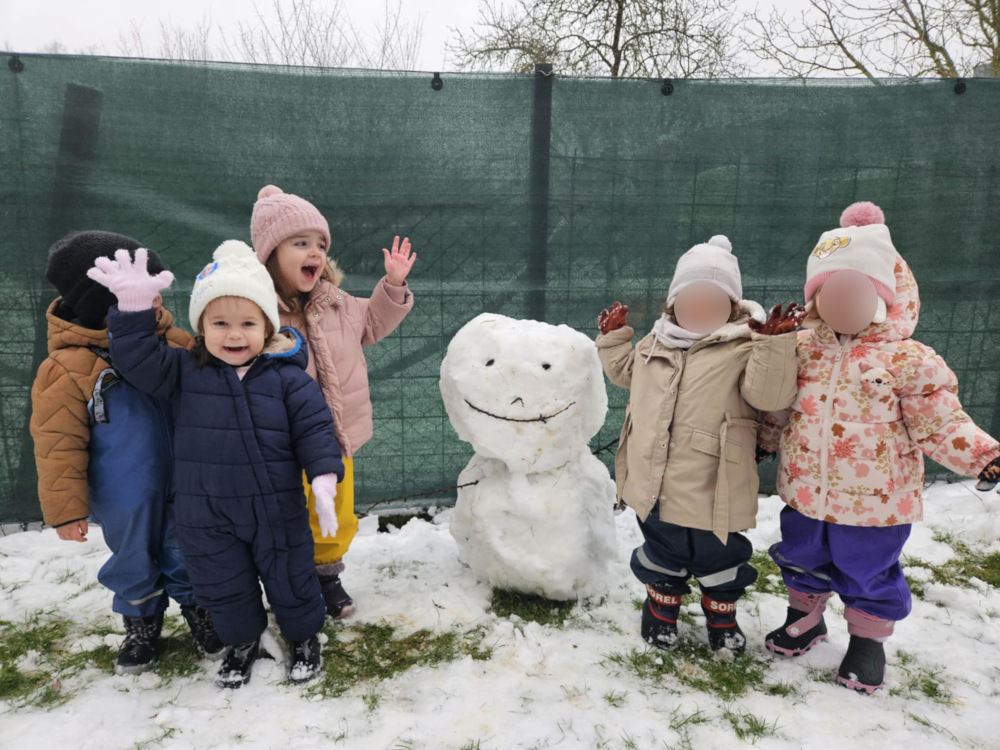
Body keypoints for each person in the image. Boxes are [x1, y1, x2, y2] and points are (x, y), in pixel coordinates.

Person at [759, 202, 1000, 693]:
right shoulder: (802, 348)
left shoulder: (907, 360)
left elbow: (940, 419)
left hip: (876, 503)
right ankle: (805, 617)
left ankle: (867, 641)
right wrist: (762, 440)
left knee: (867, 570)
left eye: (855, 292)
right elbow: (778, 407)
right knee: (802, 555)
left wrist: (982, 455)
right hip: (806, 490)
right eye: (830, 293)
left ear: (882, 298)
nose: (840, 303)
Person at [88, 240, 345, 688]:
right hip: (207, 514)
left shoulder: (288, 378)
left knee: (291, 576)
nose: (233, 334)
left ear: (266, 326)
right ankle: (241, 641)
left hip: (275, 509)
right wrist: (132, 312)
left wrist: (323, 477)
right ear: (201, 326)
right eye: (219, 323)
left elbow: (315, 430)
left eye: (247, 323)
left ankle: (304, 638)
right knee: (222, 584)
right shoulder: (185, 372)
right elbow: (138, 360)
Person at [596, 235, 804, 653]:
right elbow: (626, 376)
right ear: (672, 304)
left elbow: (770, 396)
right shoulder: (655, 342)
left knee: (718, 554)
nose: (701, 309)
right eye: (691, 300)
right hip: (655, 475)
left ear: (733, 306)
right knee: (661, 547)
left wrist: (775, 346)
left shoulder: (746, 346)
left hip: (715, 479)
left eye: (714, 301)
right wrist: (615, 338)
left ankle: (721, 612)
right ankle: (661, 606)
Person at [30, 230, 223, 675]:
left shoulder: (175, 342)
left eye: (156, 290)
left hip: (184, 483)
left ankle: (202, 614)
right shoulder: (65, 368)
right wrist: (65, 509)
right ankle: (140, 622)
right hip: (123, 497)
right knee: (132, 556)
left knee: (188, 548)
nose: (157, 301)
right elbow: (57, 444)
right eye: (144, 291)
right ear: (104, 300)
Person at [251, 185, 416, 618]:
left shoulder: (337, 303)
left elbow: (375, 321)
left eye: (320, 244)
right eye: (300, 243)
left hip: (336, 436)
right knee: (285, 511)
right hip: (279, 440)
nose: (315, 252)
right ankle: (286, 579)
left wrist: (393, 284)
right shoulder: (258, 311)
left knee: (336, 515)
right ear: (269, 253)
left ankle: (327, 576)